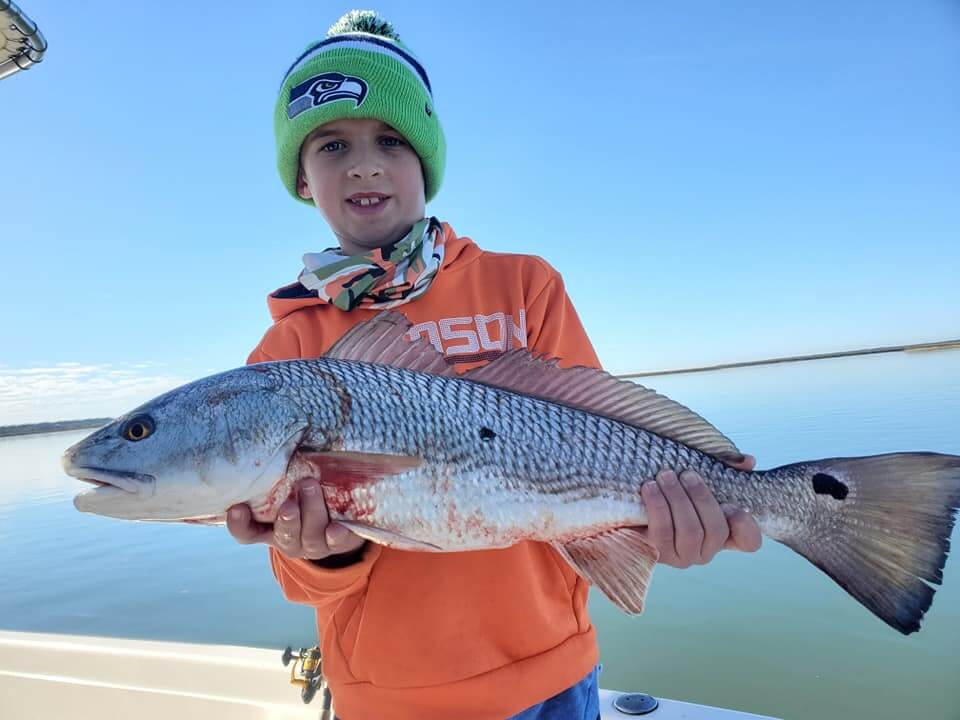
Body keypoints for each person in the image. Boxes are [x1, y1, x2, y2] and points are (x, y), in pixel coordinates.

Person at [227, 10, 761, 720]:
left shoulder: (525, 285)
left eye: (391, 139)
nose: (364, 163)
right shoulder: (286, 353)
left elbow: (604, 437)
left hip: (556, 675)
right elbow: (300, 580)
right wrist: (320, 553)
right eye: (330, 146)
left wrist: (673, 520)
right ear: (301, 178)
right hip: (391, 699)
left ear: (428, 162)